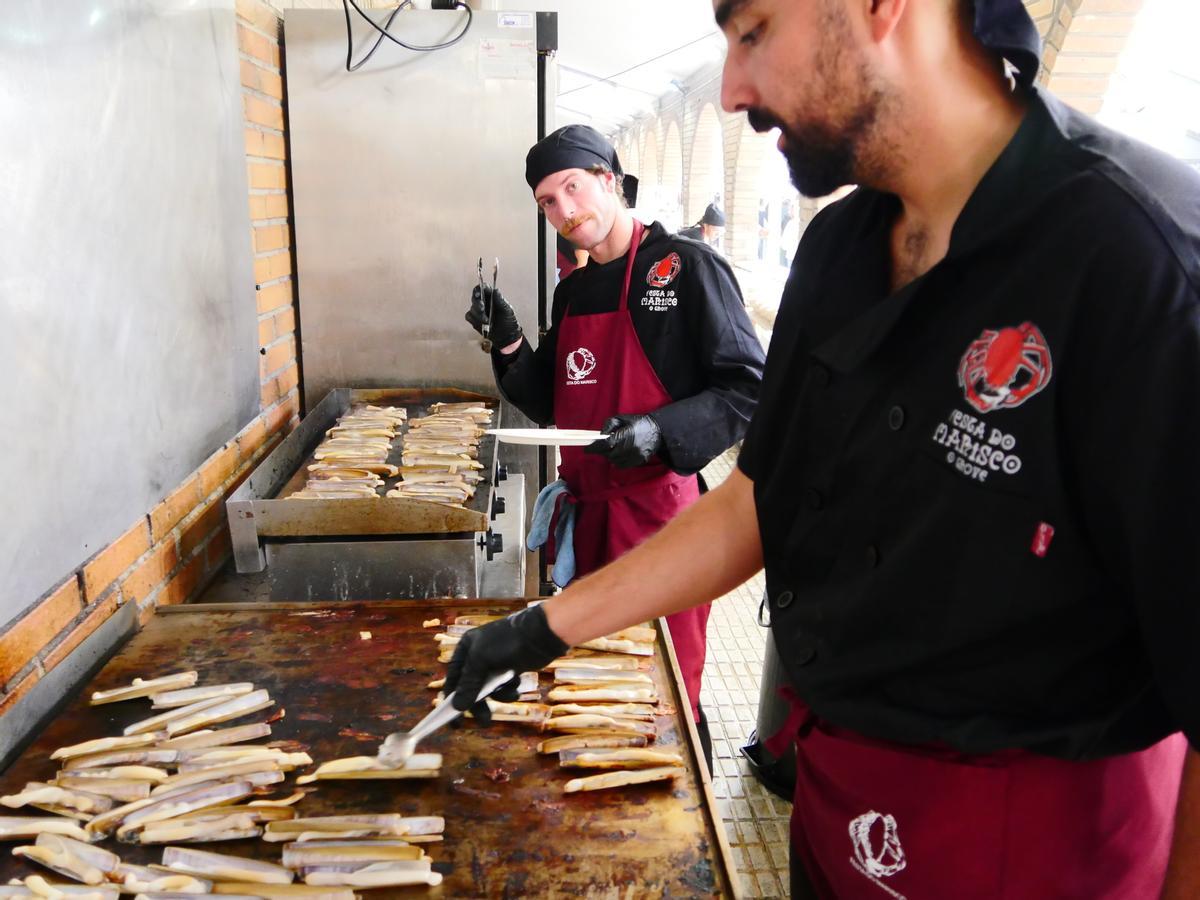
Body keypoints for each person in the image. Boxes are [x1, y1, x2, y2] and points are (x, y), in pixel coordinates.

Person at [449, 0, 1200, 896]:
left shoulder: (1142, 258)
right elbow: (754, 501)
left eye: (754, 31)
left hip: (1029, 839)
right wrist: (539, 629)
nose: (729, 89)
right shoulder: (841, 250)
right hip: (840, 796)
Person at [463, 124, 765, 765]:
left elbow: (748, 389)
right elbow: (553, 401)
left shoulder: (686, 268)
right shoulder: (572, 290)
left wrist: (660, 432)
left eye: (573, 188)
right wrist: (510, 339)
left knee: (663, 691)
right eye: (547, 201)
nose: (565, 212)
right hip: (586, 520)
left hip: (660, 525)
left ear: (610, 179)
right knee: (596, 687)